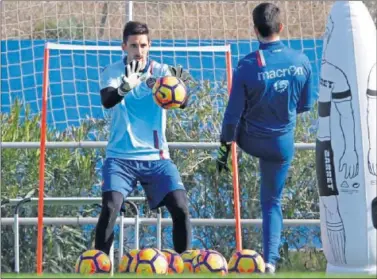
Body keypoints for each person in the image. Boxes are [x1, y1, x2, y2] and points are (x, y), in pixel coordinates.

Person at [216, 2, 317, 273]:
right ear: (281, 27)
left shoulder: (247, 64)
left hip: (250, 140)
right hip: (282, 145)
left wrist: (224, 151)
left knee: (238, 121)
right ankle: (270, 261)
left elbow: (231, 117)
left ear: (254, 30)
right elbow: (306, 105)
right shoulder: (302, 60)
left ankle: (263, 259)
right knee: (272, 202)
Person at [95, 20, 192, 257]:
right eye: (134, 46)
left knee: (180, 207)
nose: (139, 51)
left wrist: (177, 89)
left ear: (149, 46)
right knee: (110, 207)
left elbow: (184, 100)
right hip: (120, 158)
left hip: (156, 157)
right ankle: (100, 265)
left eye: (143, 45)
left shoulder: (161, 71)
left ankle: (183, 266)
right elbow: (107, 101)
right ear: (124, 47)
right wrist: (125, 87)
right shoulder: (113, 72)